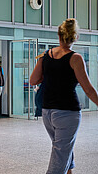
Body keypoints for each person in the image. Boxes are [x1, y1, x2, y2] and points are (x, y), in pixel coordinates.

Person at [30, 18, 98, 174]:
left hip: (47, 112)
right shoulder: (75, 58)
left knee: (62, 145)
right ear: (75, 37)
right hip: (67, 112)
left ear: (58, 36)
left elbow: (34, 80)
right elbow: (88, 89)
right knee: (61, 150)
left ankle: (69, 171)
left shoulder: (45, 55)